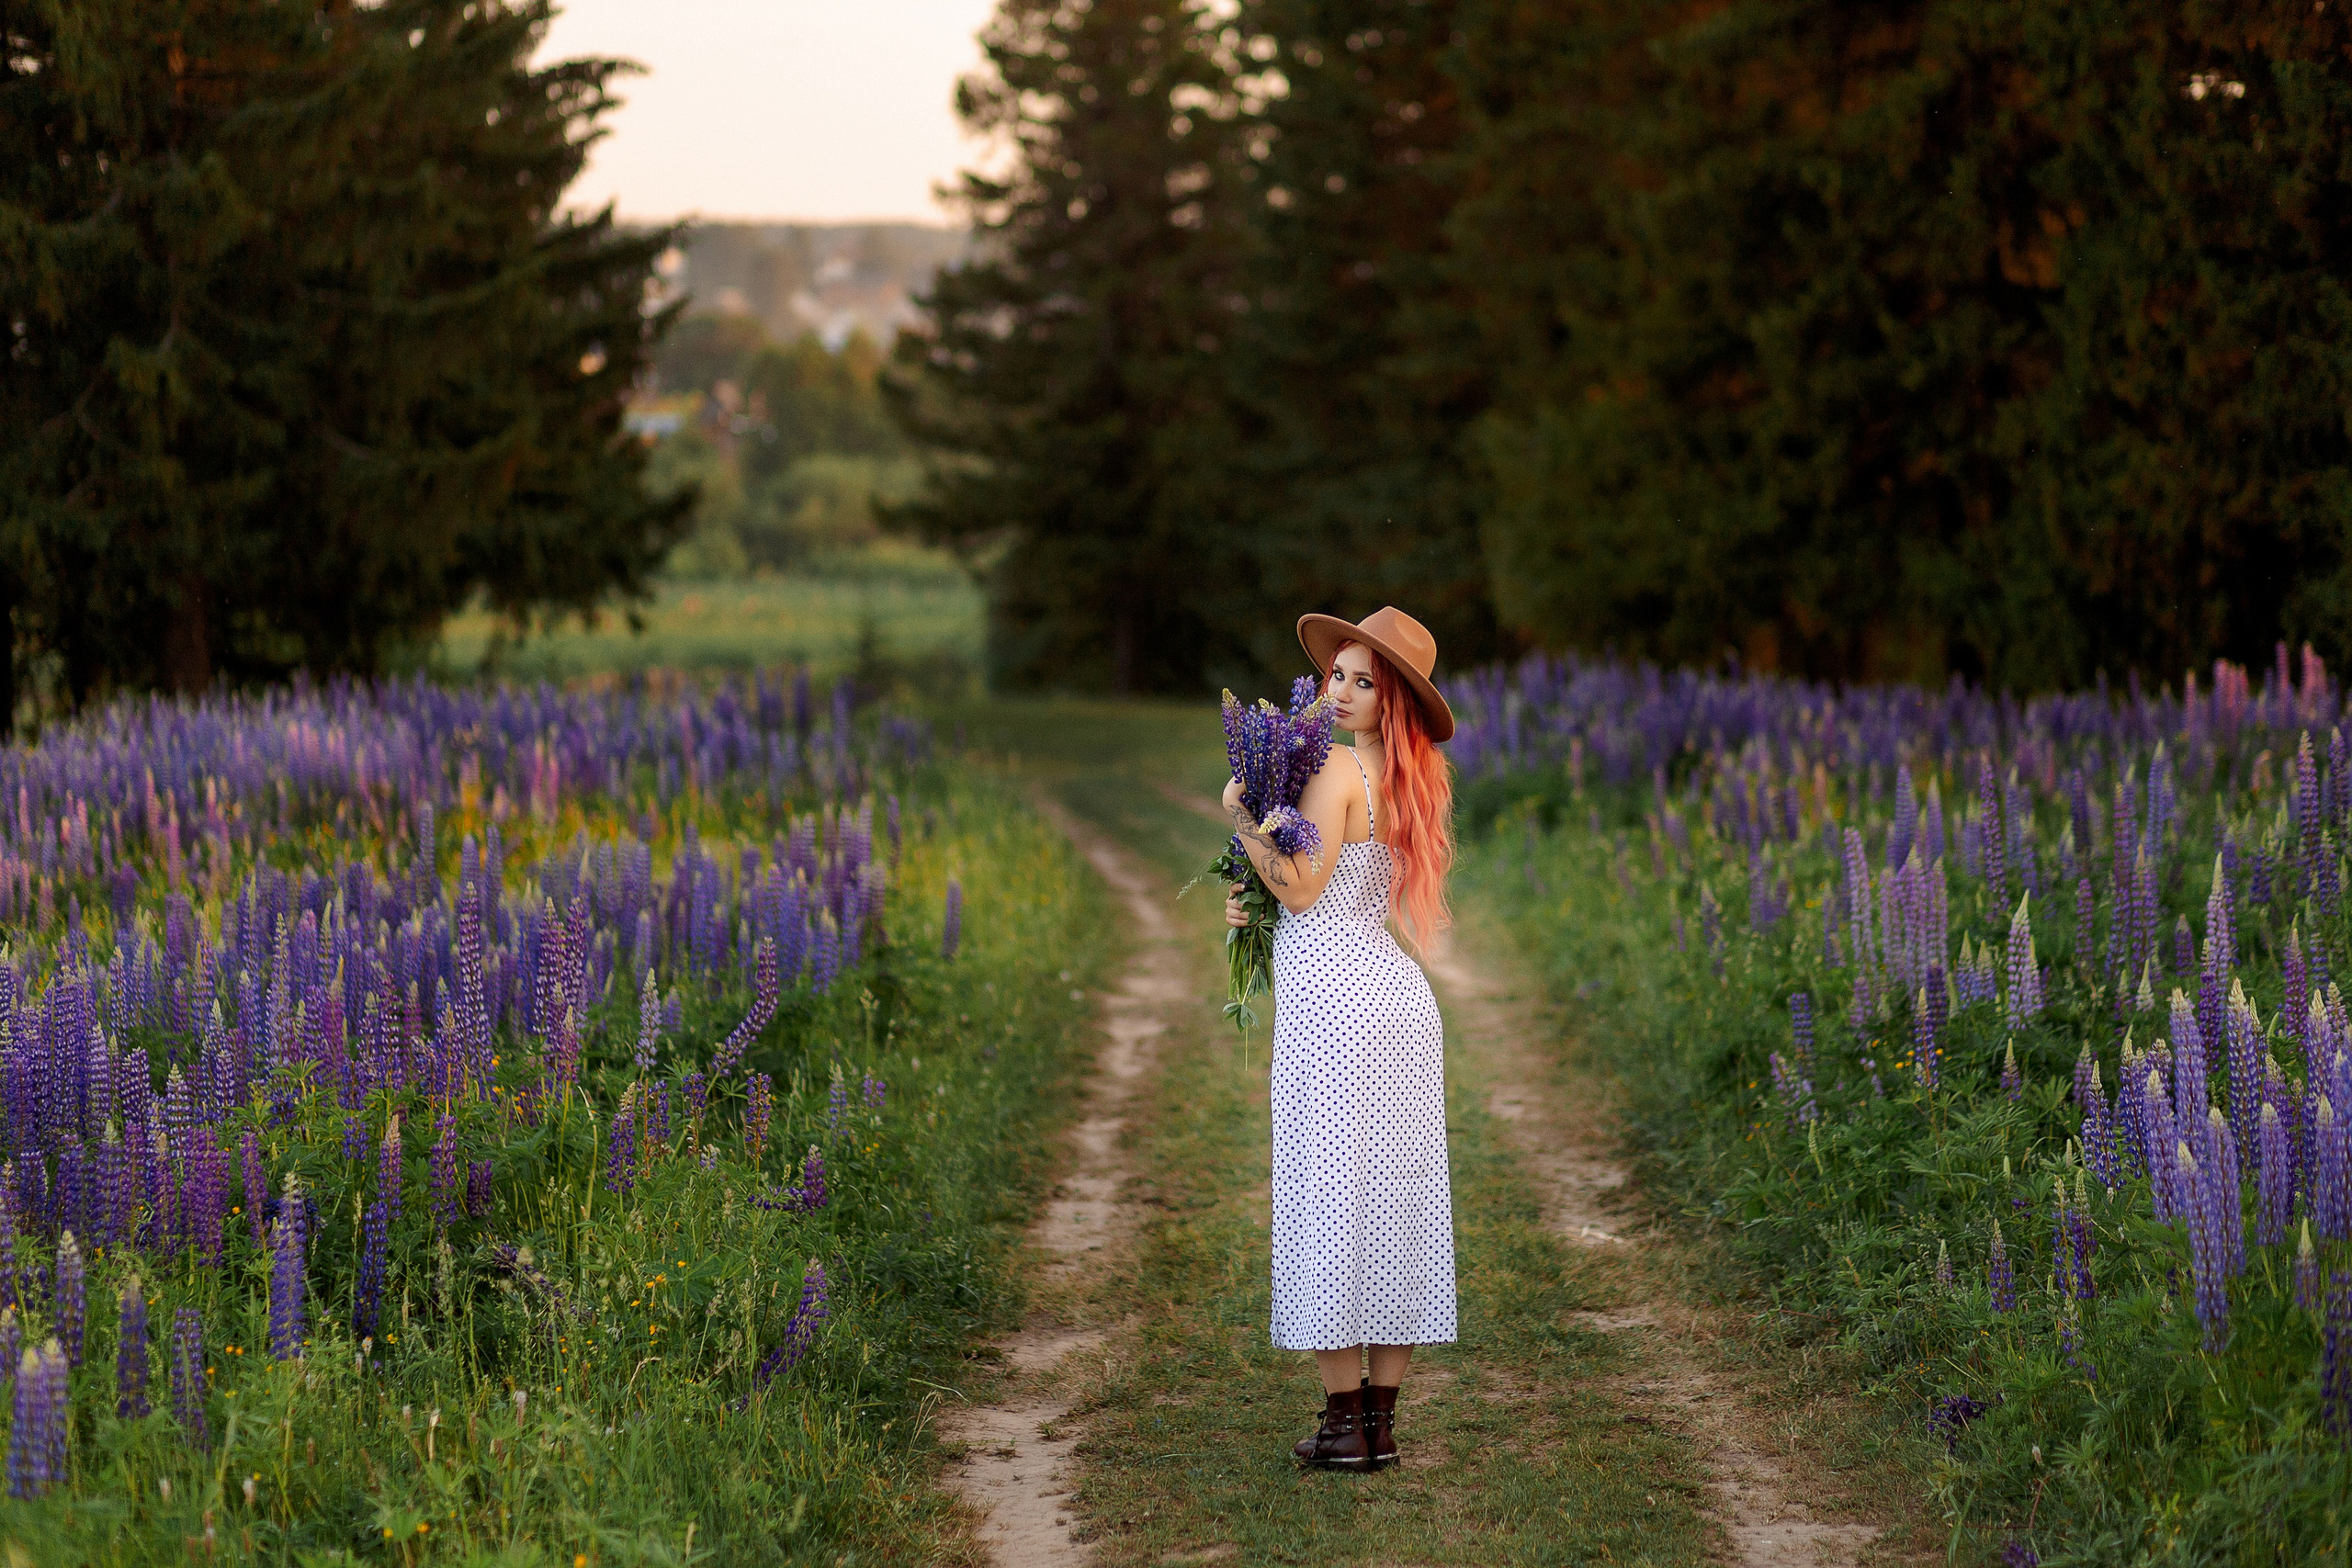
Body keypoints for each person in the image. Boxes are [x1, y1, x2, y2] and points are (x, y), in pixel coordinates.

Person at [1221, 606, 1459, 1472]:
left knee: (1329, 1196)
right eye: (1339, 675)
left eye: (1366, 680)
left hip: (1336, 1012)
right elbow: (1329, 893)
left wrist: (1241, 815)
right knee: (1396, 1204)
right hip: (1397, 1001)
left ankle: (1341, 1426)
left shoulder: (1332, 769)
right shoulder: (1410, 777)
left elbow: (1298, 888)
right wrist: (1253, 888)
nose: (1345, 691)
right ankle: (1380, 1426)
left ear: (1389, 697)